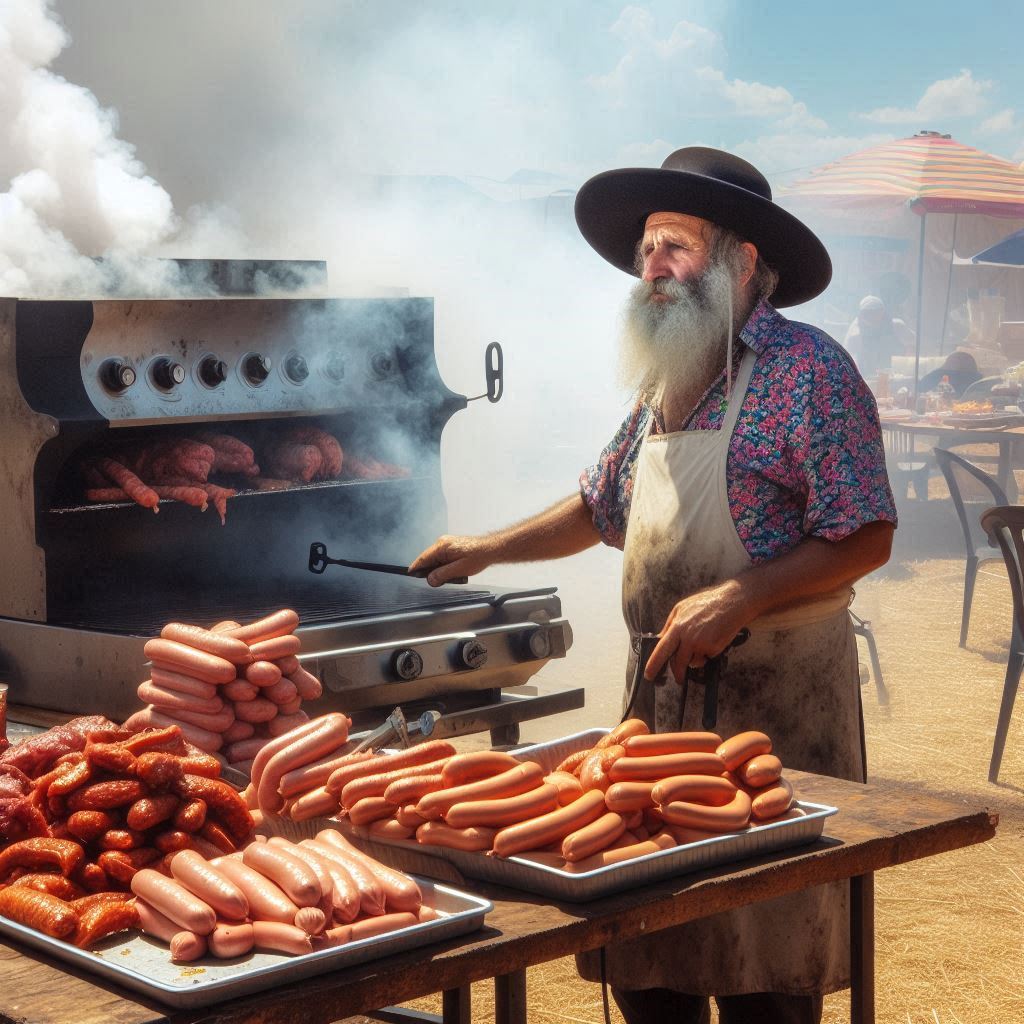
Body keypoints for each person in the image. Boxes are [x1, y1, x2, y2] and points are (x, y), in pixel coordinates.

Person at [410, 146, 897, 1024]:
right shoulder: (661, 385)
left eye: (676, 245)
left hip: (777, 713)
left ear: (746, 262)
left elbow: (866, 532)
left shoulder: (809, 372)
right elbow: (600, 509)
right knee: (649, 968)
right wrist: (486, 546)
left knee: (767, 976)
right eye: (646, 251)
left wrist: (742, 594)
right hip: (657, 719)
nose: (653, 268)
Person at [843, 294, 915, 379]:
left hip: (898, 376)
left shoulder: (897, 326)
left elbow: (913, 345)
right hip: (867, 378)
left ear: (882, 311)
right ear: (862, 314)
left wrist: (907, 366)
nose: (872, 316)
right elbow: (847, 359)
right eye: (868, 313)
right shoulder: (855, 334)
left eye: (876, 312)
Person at [917, 350, 982, 398]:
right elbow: (921, 391)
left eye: (961, 360)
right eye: (956, 360)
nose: (958, 363)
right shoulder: (935, 375)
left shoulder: (935, 375)